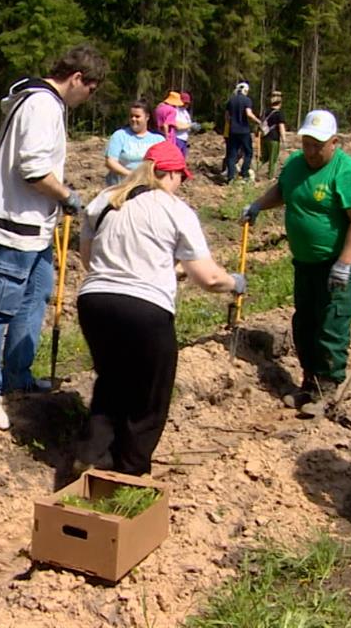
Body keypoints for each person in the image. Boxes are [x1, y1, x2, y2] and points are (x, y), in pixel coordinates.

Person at [76, 141, 246, 475]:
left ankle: (92, 458)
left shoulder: (104, 200)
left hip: (95, 302)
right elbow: (209, 278)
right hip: (145, 312)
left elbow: (89, 259)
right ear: (167, 173)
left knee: (111, 381)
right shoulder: (174, 209)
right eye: (181, 177)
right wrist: (235, 283)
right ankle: (129, 477)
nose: (180, 184)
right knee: (149, 399)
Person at [0, 45, 108, 431]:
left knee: (38, 292)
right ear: (78, 78)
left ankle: (18, 375)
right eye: (91, 90)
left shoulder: (37, 100)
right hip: (16, 223)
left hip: (36, 227)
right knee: (0, 307)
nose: (88, 98)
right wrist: (67, 196)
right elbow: (32, 170)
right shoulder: (42, 105)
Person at [241, 110, 351, 416]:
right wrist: (258, 205)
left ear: (334, 142)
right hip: (306, 262)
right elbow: (283, 190)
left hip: (338, 262)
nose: (311, 151)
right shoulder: (297, 165)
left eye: (318, 145)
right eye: (307, 143)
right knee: (305, 323)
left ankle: (327, 388)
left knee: (331, 323)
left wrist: (345, 263)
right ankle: (309, 383)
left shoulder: (348, 173)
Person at [104, 100, 164, 186]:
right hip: (121, 185)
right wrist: (131, 175)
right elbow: (110, 162)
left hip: (147, 185)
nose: (133, 119)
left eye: (137, 116)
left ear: (147, 117)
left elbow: (163, 164)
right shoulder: (119, 136)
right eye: (131, 116)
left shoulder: (158, 139)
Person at [223, 81, 262, 182]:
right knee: (248, 152)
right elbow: (248, 114)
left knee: (232, 154)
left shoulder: (230, 100)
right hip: (244, 130)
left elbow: (227, 117)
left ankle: (230, 177)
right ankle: (244, 174)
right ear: (245, 90)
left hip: (232, 131)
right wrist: (258, 121)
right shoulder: (247, 100)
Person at [260, 92, 287, 179]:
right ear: (280, 103)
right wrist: (284, 139)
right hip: (274, 139)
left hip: (264, 137)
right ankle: (270, 177)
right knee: (273, 159)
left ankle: (254, 171)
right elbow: (281, 127)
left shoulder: (265, 112)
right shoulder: (279, 114)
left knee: (264, 158)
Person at [173, 91, 195, 158]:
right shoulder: (176, 111)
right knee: (177, 158)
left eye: (187, 103)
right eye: (184, 102)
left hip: (185, 139)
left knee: (183, 158)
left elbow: (186, 124)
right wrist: (190, 125)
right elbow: (178, 126)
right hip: (177, 138)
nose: (186, 105)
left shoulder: (185, 112)